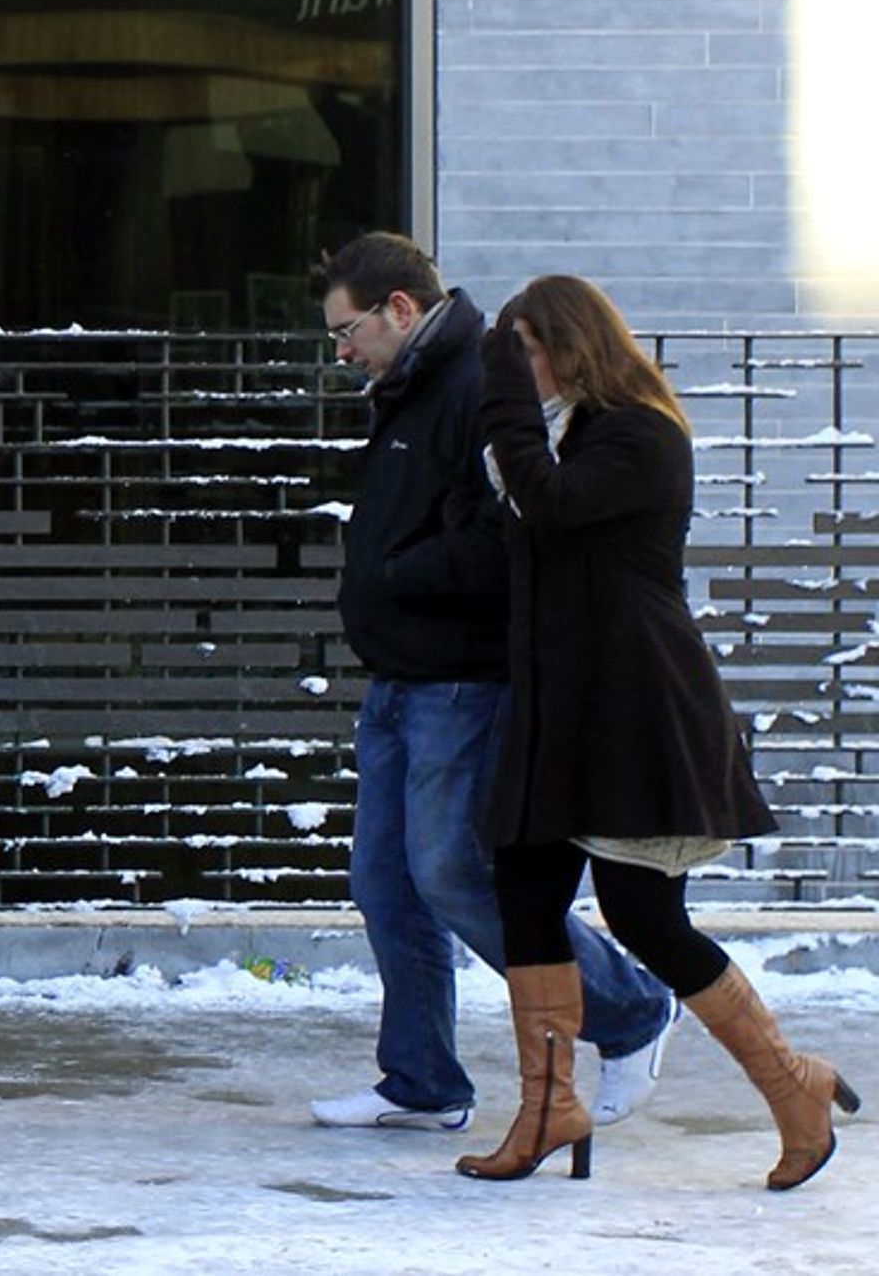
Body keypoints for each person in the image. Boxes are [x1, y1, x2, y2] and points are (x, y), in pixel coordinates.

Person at [457, 276, 857, 1189]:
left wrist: (509, 409)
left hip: (636, 705)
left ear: (569, 343)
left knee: (644, 914)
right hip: (559, 706)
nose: (516, 376)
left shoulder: (640, 434)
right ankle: (549, 1104)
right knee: (524, 889)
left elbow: (552, 506)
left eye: (526, 352)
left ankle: (795, 1085)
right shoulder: (551, 439)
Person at [311, 233, 676, 1134]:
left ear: (400, 308)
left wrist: (395, 573)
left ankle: (630, 1008)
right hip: (399, 679)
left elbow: (501, 535)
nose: (341, 349)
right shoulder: (408, 386)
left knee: (452, 873)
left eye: (346, 328)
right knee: (385, 883)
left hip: (459, 681)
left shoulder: (479, 381)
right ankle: (424, 1077)